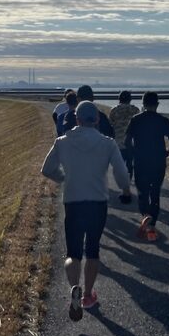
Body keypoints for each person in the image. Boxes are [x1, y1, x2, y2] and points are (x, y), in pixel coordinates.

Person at [41, 101, 131, 321]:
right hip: (97, 202)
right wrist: (126, 190)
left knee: (73, 253)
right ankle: (88, 295)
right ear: (97, 120)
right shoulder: (107, 143)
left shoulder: (62, 142)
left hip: (72, 201)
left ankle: (74, 288)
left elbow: (47, 169)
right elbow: (121, 173)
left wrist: (64, 179)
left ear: (77, 119)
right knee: (92, 250)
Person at [125, 91, 169, 241]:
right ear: (157, 104)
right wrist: (165, 153)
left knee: (142, 192)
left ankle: (145, 216)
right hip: (158, 162)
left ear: (143, 103)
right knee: (155, 193)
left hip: (141, 161)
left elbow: (127, 142)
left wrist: (134, 153)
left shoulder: (135, 120)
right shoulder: (163, 120)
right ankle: (152, 227)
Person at [108, 90, 140, 177]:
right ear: (130, 99)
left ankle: (121, 180)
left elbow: (110, 124)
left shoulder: (114, 110)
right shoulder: (135, 110)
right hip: (131, 142)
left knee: (119, 164)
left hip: (118, 142)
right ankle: (128, 179)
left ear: (119, 99)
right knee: (130, 162)